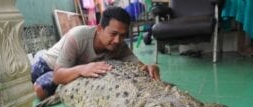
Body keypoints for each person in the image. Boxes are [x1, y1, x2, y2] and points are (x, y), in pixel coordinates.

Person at [31, 6, 160, 100]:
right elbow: (58, 76)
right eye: (113, 34)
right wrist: (83, 69)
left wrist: (149, 67)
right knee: (38, 91)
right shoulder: (77, 37)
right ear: (99, 29)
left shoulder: (120, 45)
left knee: (48, 89)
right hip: (50, 64)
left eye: (122, 35)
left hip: (71, 70)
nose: (117, 40)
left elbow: (140, 66)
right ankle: (38, 55)